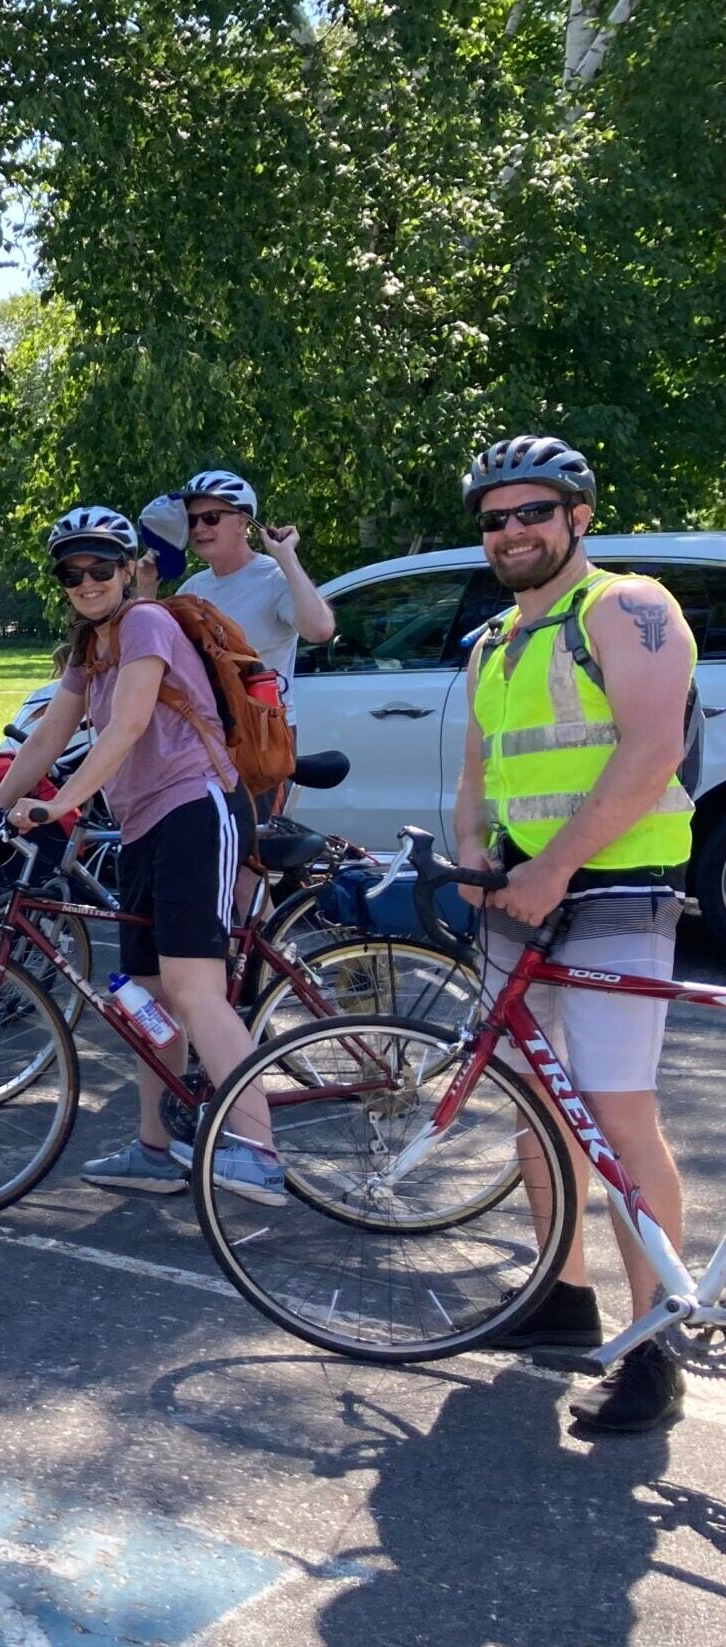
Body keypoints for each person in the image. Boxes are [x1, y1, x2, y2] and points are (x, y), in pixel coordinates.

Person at [451, 436, 696, 1434]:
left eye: (532, 513)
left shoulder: (626, 610)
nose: (512, 532)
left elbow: (650, 751)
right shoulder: (491, 641)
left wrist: (554, 868)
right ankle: (556, 1298)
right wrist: (475, 861)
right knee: (536, 1105)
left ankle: (655, 1346)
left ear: (577, 517)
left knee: (616, 1114)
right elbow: (478, 776)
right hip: (518, 897)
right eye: (495, 519)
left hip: (612, 890)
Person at [0, 506, 280, 1205]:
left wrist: (58, 804)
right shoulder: (89, 646)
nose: (86, 580)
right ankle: (154, 1147)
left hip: (197, 809)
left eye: (100, 566)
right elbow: (46, 738)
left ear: (129, 567)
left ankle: (257, 1149)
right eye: (71, 571)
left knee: (192, 986)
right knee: (147, 995)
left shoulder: (145, 623)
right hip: (143, 824)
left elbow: (130, 723)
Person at [168, 469, 335, 818]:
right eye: (192, 519)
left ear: (244, 522)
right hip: (207, 733)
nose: (199, 528)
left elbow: (319, 629)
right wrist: (148, 589)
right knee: (212, 845)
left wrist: (287, 556)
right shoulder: (193, 588)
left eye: (212, 517)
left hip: (263, 733)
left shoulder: (274, 578)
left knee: (252, 851)